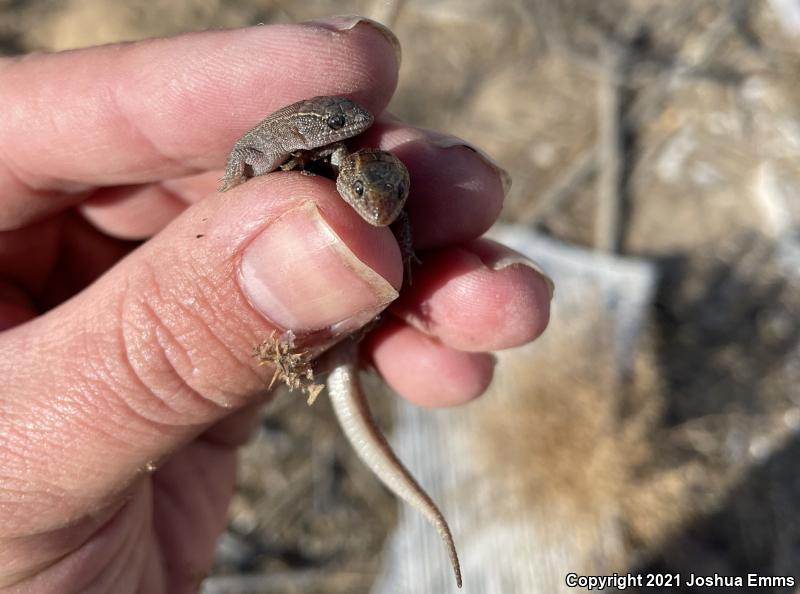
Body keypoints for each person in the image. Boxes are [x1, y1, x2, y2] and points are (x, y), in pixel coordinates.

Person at [0, 17, 552, 593]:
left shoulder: (341, 158)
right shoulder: (268, 146)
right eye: (338, 124)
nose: (354, 126)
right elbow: (245, 165)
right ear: (310, 128)